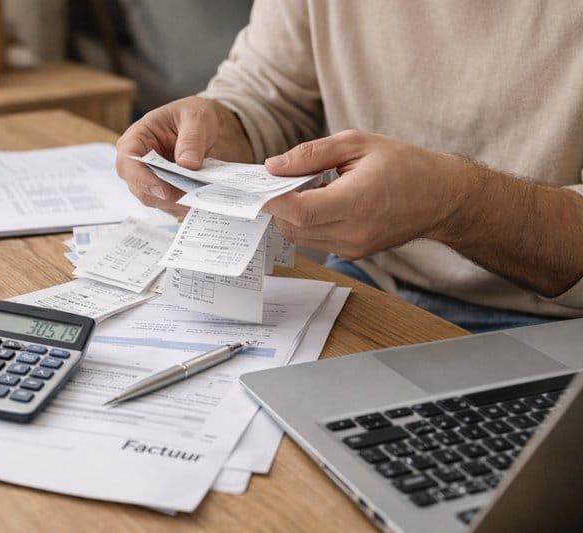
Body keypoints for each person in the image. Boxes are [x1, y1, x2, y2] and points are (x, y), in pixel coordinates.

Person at [115, 0, 583, 333]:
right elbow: (267, 91)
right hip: (371, 282)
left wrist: (451, 203)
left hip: (554, 322)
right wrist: (218, 126)